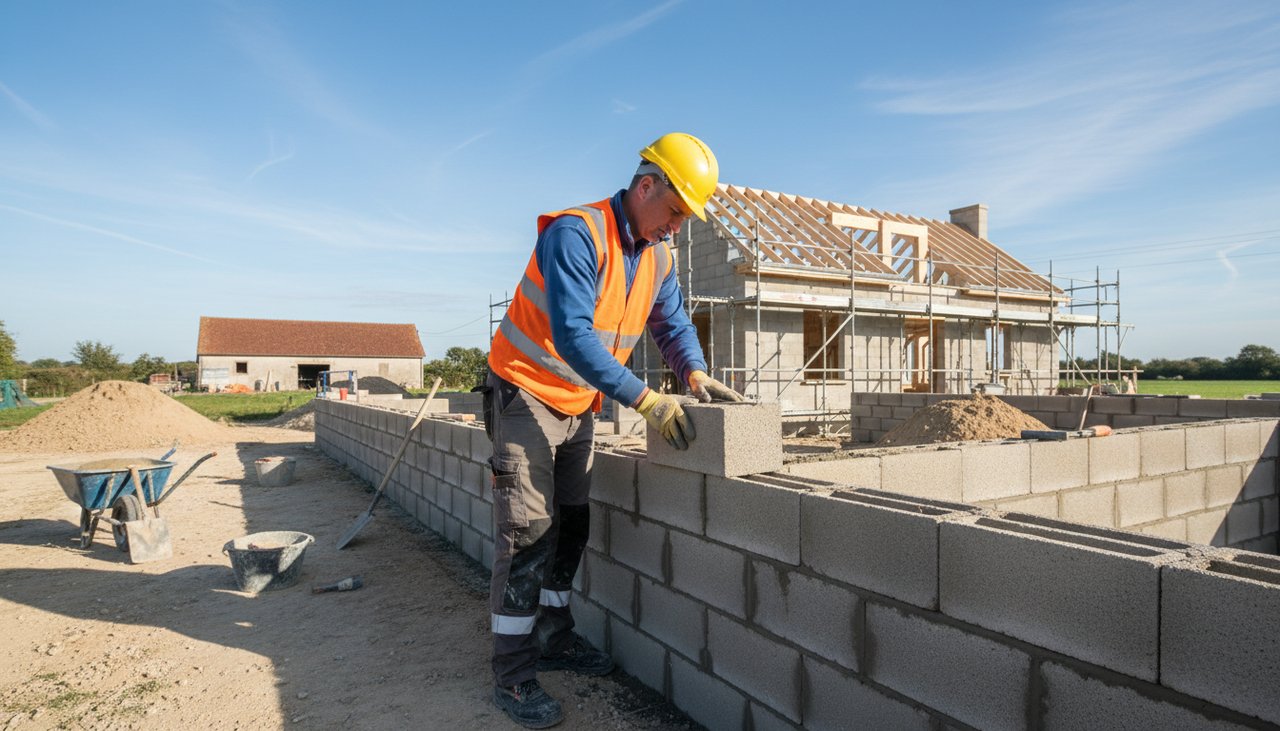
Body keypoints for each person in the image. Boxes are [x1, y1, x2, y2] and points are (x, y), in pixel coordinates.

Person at [484, 132, 742, 728]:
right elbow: (574, 336)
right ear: (645, 185)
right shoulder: (576, 233)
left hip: (577, 405)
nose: (676, 226)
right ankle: (515, 674)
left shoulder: (658, 256)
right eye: (674, 210)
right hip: (525, 393)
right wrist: (649, 400)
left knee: (571, 523)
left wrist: (695, 374)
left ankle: (554, 635)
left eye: (685, 217)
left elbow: (671, 323)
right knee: (527, 534)